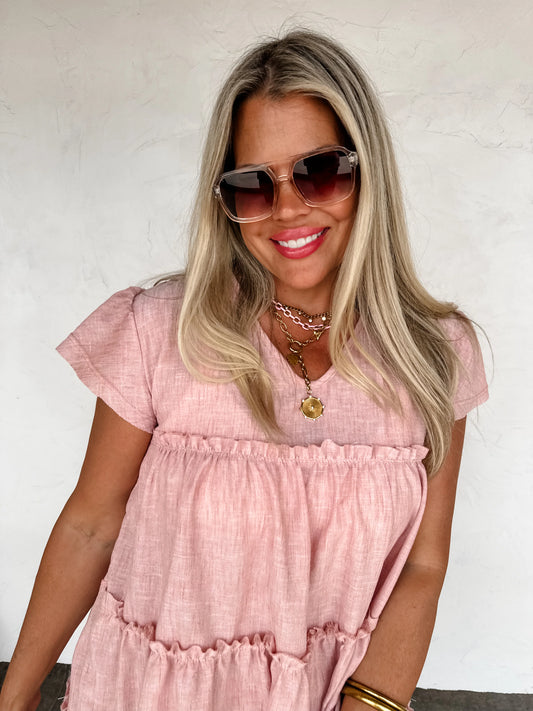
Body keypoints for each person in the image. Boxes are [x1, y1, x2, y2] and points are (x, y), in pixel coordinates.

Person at [0, 29, 488, 711]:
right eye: (252, 185)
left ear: (367, 172)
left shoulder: (435, 353)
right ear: (224, 202)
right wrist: (16, 695)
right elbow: (92, 524)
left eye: (320, 171)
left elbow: (422, 565)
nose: (287, 208)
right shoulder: (161, 330)